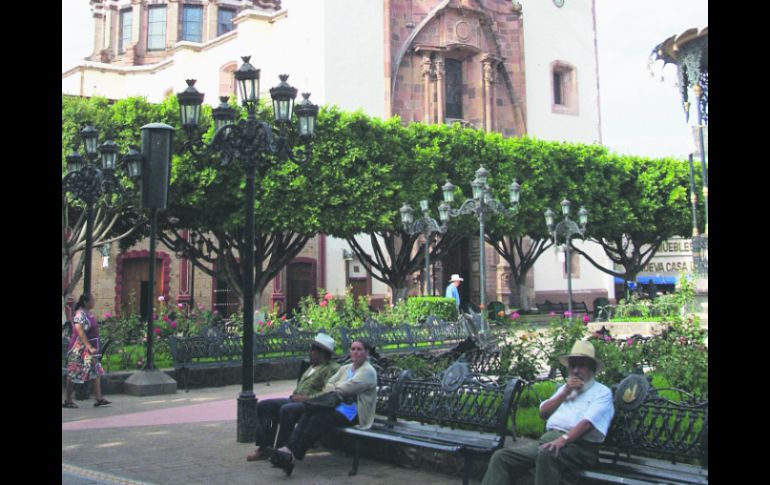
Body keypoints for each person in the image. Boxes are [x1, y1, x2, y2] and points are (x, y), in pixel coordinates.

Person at [481, 340, 614, 485]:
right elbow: (543, 412)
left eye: (581, 365)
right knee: (501, 457)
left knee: (547, 455)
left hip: (580, 447)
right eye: (573, 365)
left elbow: (588, 423)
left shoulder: (602, 393)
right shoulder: (564, 389)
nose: (575, 370)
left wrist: (562, 440)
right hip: (547, 441)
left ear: (592, 368)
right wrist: (564, 393)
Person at [269, 339, 378, 476]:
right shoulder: (346, 368)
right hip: (334, 406)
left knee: (319, 418)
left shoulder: (368, 372)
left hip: (354, 413)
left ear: (366, 352)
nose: (355, 352)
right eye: (353, 349)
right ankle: (290, 451)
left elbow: (348, 388)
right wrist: (335, 388)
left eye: (359, 349)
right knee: (310, 411)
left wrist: (335, 388)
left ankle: (291, 453)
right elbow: (330, 384)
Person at [246, 332, 340, 461]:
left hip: (310, 404)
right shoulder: (312, 366)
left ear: (322, 352)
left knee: (287, 410)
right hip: (293, 399)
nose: (310, 352)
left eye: (312, 349)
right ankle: (264, 448)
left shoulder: (331, 369)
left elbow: (328, 393)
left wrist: (306, 399)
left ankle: (281, 451)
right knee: (264, 406)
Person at [63, 294, 112, 408]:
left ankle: (98, 398)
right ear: (85, 302)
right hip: (79, 348)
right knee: (73, 373)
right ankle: (68, 400)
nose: (93, 302)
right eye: (92, 301)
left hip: (90, 349)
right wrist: (89, 346)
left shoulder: (89, 313)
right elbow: (80, 332)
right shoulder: (80, 314)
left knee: (96, 371)